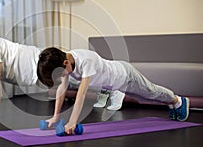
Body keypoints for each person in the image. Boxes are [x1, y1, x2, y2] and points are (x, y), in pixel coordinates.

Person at [37, 47, 189, 135]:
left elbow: (81, 94)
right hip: (117, 84)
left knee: (152, 92)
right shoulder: (65, 62)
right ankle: (172, 103)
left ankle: (178, 101)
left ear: (65, 63)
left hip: (126, 76)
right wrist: (55, 117)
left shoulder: (86, 60)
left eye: (63, 73)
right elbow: (62, 88)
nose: (65, 77)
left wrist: (72, 121)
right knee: (146, 98)